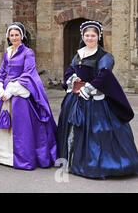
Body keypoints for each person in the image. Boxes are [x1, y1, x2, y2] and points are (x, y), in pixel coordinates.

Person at [57, 20, 138, 178]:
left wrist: (89, 87)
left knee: (100, 132)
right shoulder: (79, 54)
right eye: (87, 35)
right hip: (76, 98)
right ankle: (74, 162)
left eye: (93, 35)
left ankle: (102, 165)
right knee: (74, 129)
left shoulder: (105, 56)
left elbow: (105, 75)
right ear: (83, 36)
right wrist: (72, 78)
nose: (89, 38)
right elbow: (70, 70)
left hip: (96, 98)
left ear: (98, 36)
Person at [0, 22, 57, 170]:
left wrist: (11, 91)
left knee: (20, 126)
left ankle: (21, 158)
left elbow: (28, 74)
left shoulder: (28, 52)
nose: (14, 37)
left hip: (19, 93)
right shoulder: (7, 52)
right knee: (5, 122)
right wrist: (0, 87)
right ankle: (4, 156)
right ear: (8, 37)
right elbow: (1, 72)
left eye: (17, 35)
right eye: (11, 35)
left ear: (22, 36)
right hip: (6, 93)